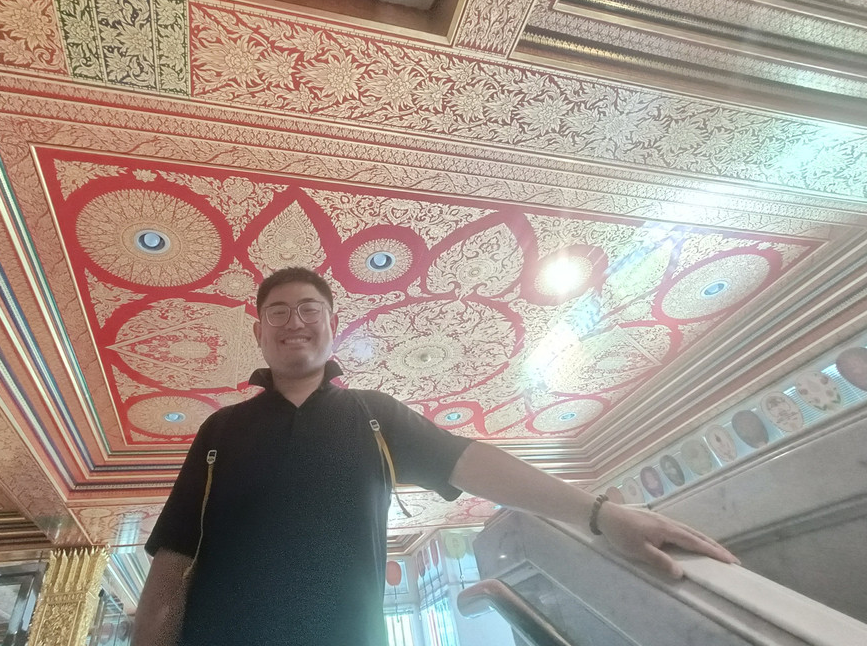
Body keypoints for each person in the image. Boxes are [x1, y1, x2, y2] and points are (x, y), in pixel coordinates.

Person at [134, 267, 737, 646]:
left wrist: (600, 514)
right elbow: (175, 560)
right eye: (278, 312)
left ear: (332, 324)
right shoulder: (221, 430)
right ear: (259, 331)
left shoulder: (373, 416)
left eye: (309, 309)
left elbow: (471, 460)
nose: (295, 321)